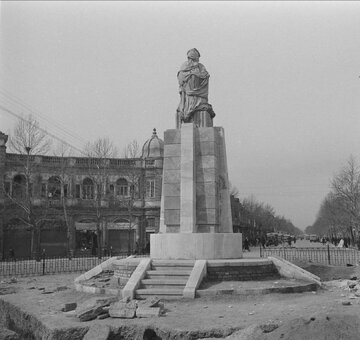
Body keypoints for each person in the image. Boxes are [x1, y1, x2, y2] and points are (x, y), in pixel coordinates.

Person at [176, 48, 215, 124]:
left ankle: (196, 105)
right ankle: (188, 109)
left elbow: (205, 75)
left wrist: (198, 75)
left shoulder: (201, 67)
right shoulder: (184, 66)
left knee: (202, 108)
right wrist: (191, 75)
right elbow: (181, 78)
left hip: (199, 93)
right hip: (188, 94)